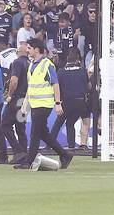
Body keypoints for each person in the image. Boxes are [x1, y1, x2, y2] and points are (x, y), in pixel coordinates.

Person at [14, 40, 72, 170]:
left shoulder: (47, 65)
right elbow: (31, 87)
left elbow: (55, 84)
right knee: (43, 133)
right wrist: (25, 104)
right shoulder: (31, 65)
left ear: (37, 49)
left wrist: (57, 103)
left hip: (44, 104)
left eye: (29, 48)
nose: (27, 50)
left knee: (35, 133)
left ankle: (29, 162)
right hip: (35, 104)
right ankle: (64, 154)